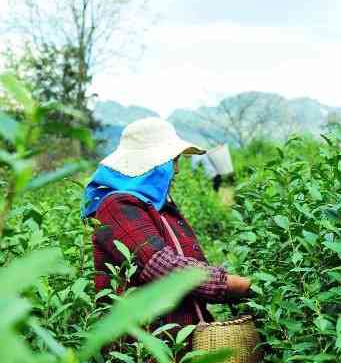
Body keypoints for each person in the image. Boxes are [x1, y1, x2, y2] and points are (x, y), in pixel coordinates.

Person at [82, 117, 251, 343]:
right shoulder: (116, 207)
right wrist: (235, 285)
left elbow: (189, 261)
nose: (178, 169)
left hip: (180, 341)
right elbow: (162, 266)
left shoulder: (159, 208)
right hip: (145, 349)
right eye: (174, 161)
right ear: (154, 164)